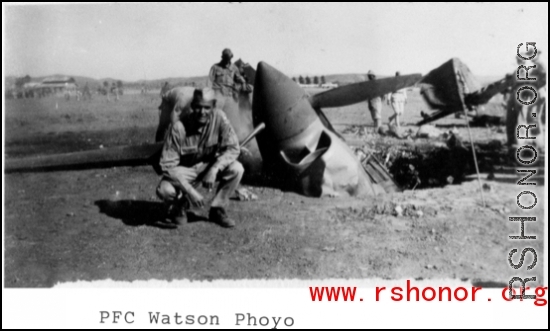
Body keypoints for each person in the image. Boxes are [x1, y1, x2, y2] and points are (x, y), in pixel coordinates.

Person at [155, 87, 244, 228]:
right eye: (198, 107)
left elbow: (233, 148)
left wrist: (214, 169)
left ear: (213, 107)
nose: (202, 112)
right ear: (192, 106)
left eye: (207, 108)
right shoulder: (178, 128)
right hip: (185, 170)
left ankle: (217, 210)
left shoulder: (220, 118)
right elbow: (167, 167)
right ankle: (180, 206)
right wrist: (191, 191)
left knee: (237, 168)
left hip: (208, 166)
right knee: (164, 190)